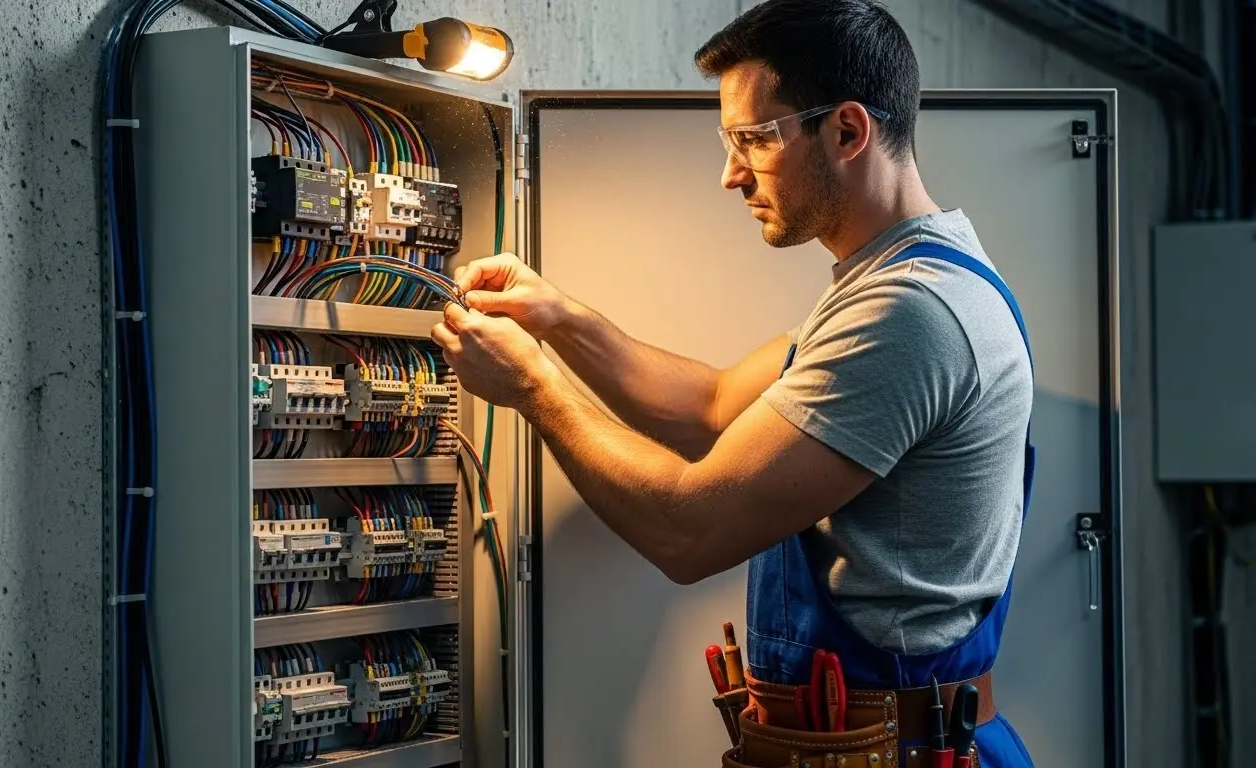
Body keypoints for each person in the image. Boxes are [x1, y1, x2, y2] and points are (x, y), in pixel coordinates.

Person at [430, 1, 1035, 765]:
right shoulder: (901, 279)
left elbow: (689, 531)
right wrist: (558, 319)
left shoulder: (910, 312)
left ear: (847, 131)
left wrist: (534, 389)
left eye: (754, 138)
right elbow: (713, 408)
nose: (729, 173)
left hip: (893, 753)